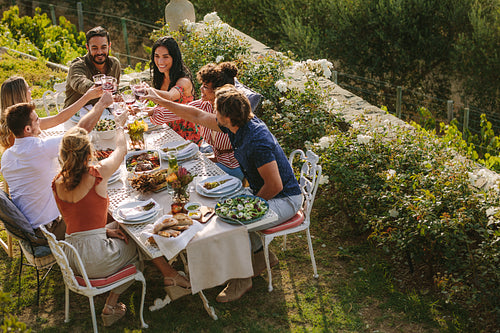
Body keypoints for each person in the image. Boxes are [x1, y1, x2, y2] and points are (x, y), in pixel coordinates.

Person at [143, 85, 303, 302]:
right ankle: (258, 258)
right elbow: (196, 114)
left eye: (216, 110)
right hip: (265, 192)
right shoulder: (237, 124)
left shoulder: (256, 140)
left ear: (226, 117)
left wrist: (244, 208)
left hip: (284, 199)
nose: (212, 113)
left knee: (230, 221)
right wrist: (160, 101)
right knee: (219, 205)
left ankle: (242, 278)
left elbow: (275, 186)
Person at [52, 114, 191, 326]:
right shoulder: (96, 173)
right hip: (96, 258)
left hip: (71, 255)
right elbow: (121, 150)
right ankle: (114, 304)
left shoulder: (57, 181)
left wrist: (106, 231)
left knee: (124, 226)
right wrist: (119, 125)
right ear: (88, 153)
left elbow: (78, 217)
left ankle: (169, 274)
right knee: (137, 238)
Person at [0, 89, 109, 240]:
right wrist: (101, 105)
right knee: (98, 202)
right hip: (50, 232)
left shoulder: (6, 156)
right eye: (37, 120)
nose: (40, 123)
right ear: (27, 129)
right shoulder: (40, 148)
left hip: (31, 229)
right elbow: (80, 132)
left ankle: (104, 233)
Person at [139, 36, 201, 144]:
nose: (160, 61)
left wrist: (149, 90)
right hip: (169, 134)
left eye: (165, 57)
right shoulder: (161, 78)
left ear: (174, 58)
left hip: (188, 138)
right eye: (157, 56)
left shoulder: (184, 81)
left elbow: (170, 96)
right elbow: (164, 106)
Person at [190, 62, 244, 180]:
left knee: (193, 177)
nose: (200, 89)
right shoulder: (205, 105)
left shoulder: (230, 113)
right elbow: (181, 110)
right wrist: (152, 111)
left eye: (205, 86)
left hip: (234, 167)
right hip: (219, 161)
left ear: (216, 90)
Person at [64, 26, 120, 109]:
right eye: (94, 48)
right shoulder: (78, 65)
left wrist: (117, 96)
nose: (99, 52)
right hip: (74, 115)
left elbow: (115, 91)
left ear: (109, 46)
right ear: (87, 48)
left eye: (103, 47)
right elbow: (80, 83)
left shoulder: (114, 64)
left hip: (102, 113)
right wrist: (103, 87)